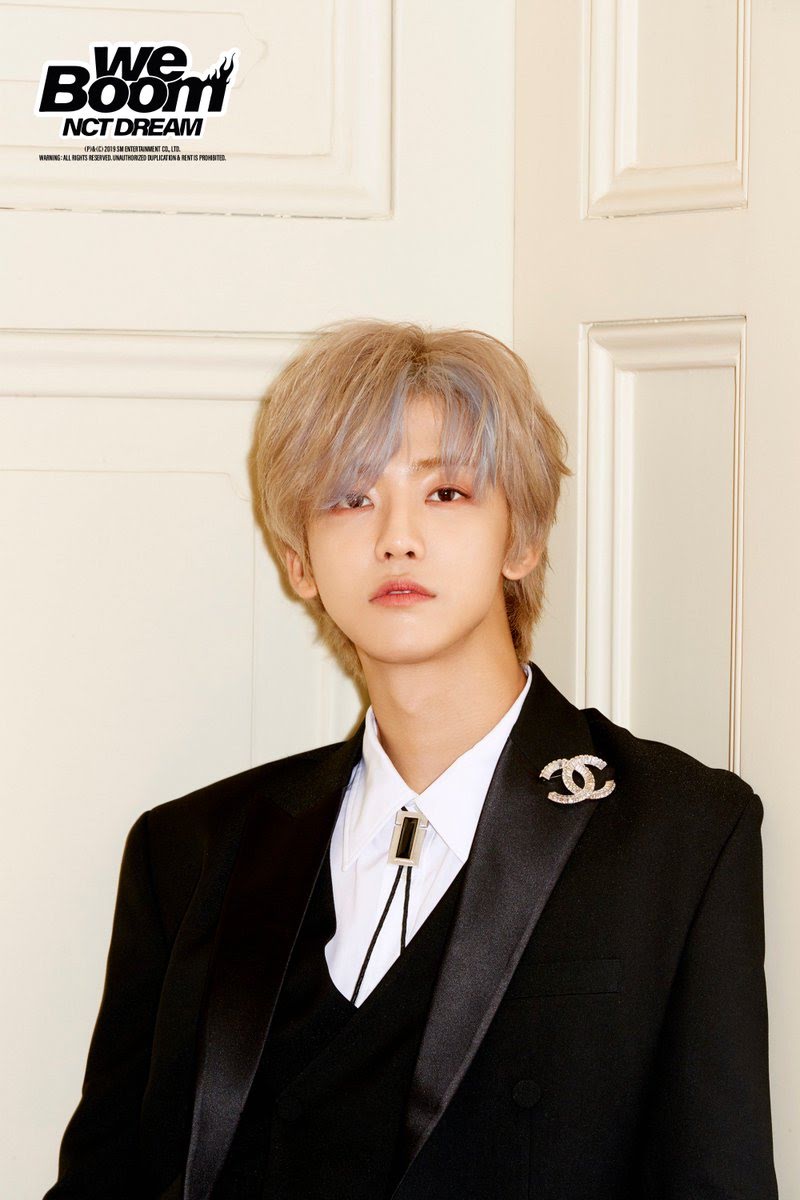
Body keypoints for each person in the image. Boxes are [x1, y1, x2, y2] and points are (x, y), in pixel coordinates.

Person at [45, 320, 779, 1199]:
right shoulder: (187, 851)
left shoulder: (680, 834)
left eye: (447, 492)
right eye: (351, 498)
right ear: (299, 562)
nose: (397, 537)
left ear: (522, 540)